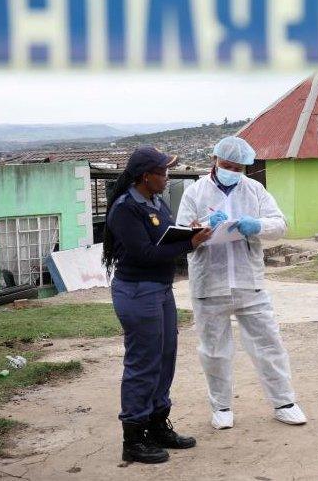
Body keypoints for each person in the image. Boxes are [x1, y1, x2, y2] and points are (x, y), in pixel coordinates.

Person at [176, 136, 307, 430]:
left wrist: (256, 225)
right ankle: (221, 407)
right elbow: (182, 233)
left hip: (250, 282)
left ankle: (284, 402)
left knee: (269, 344)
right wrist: (205, 228)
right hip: (209, 284)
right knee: (214, 349)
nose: (232, 171)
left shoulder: (254, 190)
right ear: (214, 159)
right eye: (226, 165)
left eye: (238, 167)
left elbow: (280, 224)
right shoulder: (195, 192)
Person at [102, 146, 213, 464]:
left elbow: (163, 236)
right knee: (143, 363)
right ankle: (134, 438)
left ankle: (157, 424)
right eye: (163, 172)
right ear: (144, 176)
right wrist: (189, 244)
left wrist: (190, 234)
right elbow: (144, 254)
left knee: (165, 358)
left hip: (160, 290)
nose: (168, 177)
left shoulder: (154, 201)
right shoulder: (125, 208)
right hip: (137, 292)